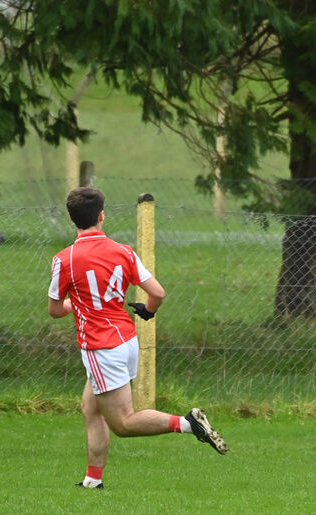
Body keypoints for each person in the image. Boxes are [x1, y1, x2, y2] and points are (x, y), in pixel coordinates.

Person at [48, 187, 228, 489]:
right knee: (91, 407)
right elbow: (157, 294)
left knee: (122, 423)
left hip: (100, 347)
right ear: (102, 216)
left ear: (70, 218)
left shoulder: (64, 259)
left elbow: (55, 310)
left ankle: (188, 423)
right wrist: (148, 310)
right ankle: (93, 481)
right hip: (127, 341)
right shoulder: (124, 251)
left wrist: (75, 304)